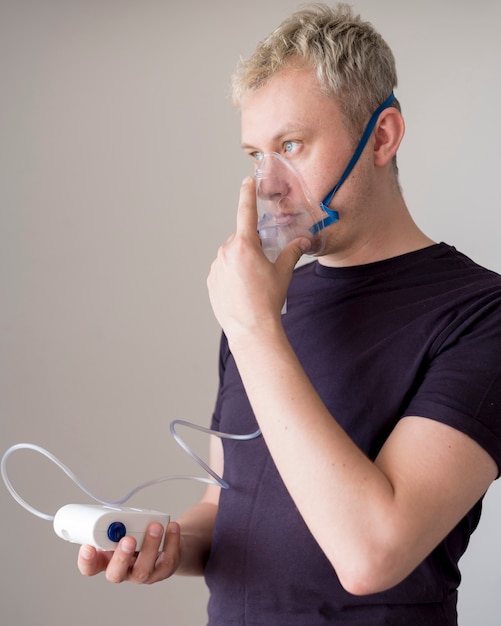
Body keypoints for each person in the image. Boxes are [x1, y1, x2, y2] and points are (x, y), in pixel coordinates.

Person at [77, 4, 501, 624]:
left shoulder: (479, 316)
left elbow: (372, 554)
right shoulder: (264, 306)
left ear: (381, 136)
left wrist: (253, 328)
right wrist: (162, 543)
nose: (267, 184)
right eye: (255, 153)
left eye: (291, 145)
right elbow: (227, 509)